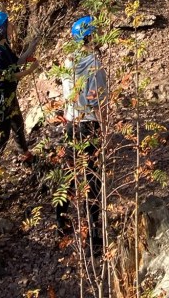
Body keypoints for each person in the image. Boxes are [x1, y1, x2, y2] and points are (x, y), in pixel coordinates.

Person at [56, 16, 107, 236]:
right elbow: (98, 98)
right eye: (95, 33)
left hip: (71, 123)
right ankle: (95, 234)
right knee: (92, 177)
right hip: (89, 123)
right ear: (89, 36)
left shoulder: (69, 61)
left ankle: (61, 222)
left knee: (69, 173)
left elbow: (69, 95)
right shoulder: (95, 63)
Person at [0, 11, 37, 188]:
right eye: (8, 24)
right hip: (1, 99)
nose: (12, 26)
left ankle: (26, 156)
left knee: (18, 125)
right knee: (2, 136)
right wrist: (31, 70)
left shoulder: (3, 47)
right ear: (1, 29)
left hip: (9, 96)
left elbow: (16, 62)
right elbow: (11, 76)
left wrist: (31, 48)